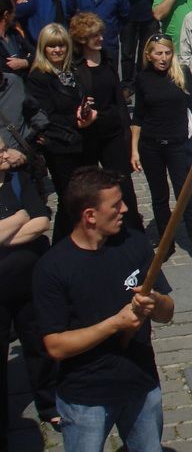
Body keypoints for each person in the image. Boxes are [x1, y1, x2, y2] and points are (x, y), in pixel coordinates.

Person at [32, 167, 174, 451]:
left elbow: (167, 313)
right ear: (90, 216)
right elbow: (56, 346)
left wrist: (156, 303)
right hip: (86, 398)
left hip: (141, 384)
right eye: (115, 205)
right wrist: (115, 324)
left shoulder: (133, 243)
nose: (125, 209)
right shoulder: (53, 268)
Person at [130, 35, 192, 269]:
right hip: (150, 145)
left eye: (167, 53)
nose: (163, 58)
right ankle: (166, 244)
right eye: (158, 54)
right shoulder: (143, 78)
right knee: (159, 197)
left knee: (186, 197)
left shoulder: (181, 73)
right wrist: (134, 150)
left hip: (178, 144)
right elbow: (138, 116)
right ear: (149, 55)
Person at [0, 145, 58, 440]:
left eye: (3, 149)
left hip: (30, 283)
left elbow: (41, 221)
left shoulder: (18, 180)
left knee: (39, 345)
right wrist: (20, 217)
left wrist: (6, 234)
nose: (5, 155)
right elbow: (27, 217)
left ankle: (49, 405)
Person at [69, 11, 144, 232]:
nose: (101, 38)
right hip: (89, 134)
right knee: (89, 187)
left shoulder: (108, 59)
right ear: (82, 39)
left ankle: (131, 230)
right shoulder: (75, 66)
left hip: (112, 131)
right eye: (95, 36)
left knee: (123, 184)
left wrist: (127, 134)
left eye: (101, 34)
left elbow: (118, 100)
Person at [27, 23, 96, 241]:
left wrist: (86, 107)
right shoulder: (39, 77)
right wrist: (77, 120)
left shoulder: (70, 72)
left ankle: (81, 241)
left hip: (81, 142)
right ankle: (62, 245)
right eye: (52, 46)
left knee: (83, 198)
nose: (57, 51)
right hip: (60, 146)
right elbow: (45, 116)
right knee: (69, 200)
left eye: (61, 46)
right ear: (43, 49)